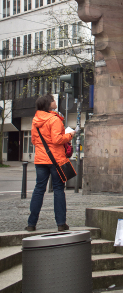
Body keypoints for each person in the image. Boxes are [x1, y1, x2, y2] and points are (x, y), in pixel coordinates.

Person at [25, 94, 75, 232]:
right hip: (56, 160)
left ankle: (31, 224)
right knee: (58, 189)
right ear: (48, 104)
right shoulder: (54, 120)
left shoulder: (36, 120)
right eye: (53, 100)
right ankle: (61, 223)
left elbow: (34, 141)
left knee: (39, 189)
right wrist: (70, 135)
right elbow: (57, 140)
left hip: (40, 159)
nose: (55, 101)